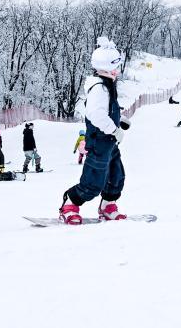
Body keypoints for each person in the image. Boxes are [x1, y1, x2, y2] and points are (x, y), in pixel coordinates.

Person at [59, 37, 133, 225]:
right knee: (93, 182)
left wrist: (119, 120)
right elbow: (95, 114)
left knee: (116, 176)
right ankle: (69, 204)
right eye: (115, 66)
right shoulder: (99, 87)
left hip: (109, 143)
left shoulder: (107, 84)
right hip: (99, 141)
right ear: (105, 67)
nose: (117, 70)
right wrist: (115, 130)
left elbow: (105, 111)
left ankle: (108, 206)